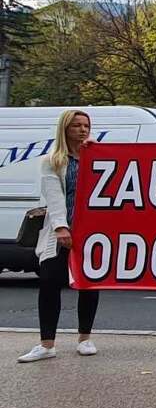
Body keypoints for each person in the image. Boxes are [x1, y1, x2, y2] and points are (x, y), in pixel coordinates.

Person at [17, 110, 101, 363]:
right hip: (61, 231)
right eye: (76, 125)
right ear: (65, 129)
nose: (82, 130)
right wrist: (61, 227)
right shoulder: (53, 161)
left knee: (89, 283)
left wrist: (100, 151)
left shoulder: (96, 157)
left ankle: (85, 338)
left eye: (86, 125)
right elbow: (54, 197)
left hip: (91, 232)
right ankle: (47, 344)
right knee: (50, 282)